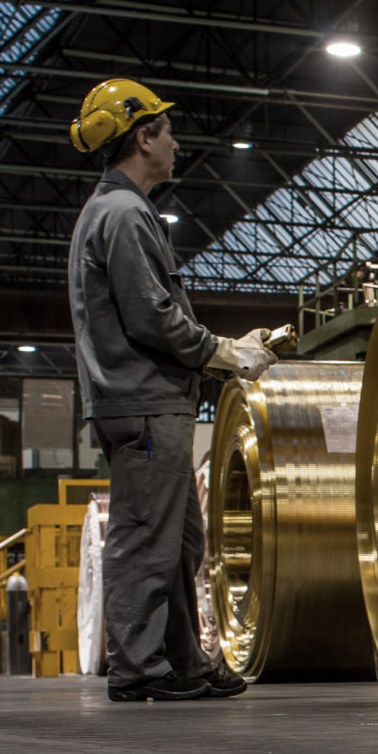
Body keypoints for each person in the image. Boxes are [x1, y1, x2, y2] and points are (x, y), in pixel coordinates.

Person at [66, 79, 280, 702]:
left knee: (180, 539)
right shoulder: (125, 214)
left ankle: (184, 661)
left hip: (147, 401)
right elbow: (151, 316)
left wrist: (218, 353)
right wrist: (223, 353)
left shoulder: (111, 212)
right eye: (167, 129)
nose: (177, 141)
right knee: (143, 535)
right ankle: (136, 668)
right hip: (144, 403)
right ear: (142, 137)